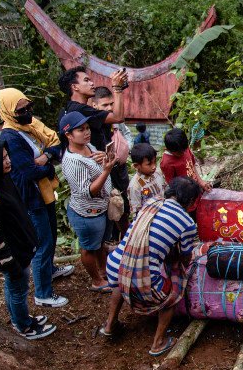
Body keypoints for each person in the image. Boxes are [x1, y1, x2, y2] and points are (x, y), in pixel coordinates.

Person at [0, 138, 56, 339]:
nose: (8, 161)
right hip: (11, 255)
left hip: (20, 249)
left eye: (7, 156)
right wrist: (10, 264)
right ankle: (24, 326)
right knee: (18, 288)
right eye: (2, 158)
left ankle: (18, 317)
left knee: (15, 287)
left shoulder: (0, 179)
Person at [98, 177, 202, 356]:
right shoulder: (187, 223)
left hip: (114, 266)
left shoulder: (151, 202)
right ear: (192, 202)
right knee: (175, 288)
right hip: (140, 280)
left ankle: (110, 325)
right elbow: (185, 257)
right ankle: (158, 342)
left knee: (121, 277)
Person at [0, 89, 72, 309]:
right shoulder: (10, 136)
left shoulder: (29, 127)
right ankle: (43, 293)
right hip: (31, 196)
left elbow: (56, 144)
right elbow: (28, 171)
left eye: (28, 107)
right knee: (42, 243)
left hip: (44, 191)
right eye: (21, 110)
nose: (27, 112)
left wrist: (45, 157)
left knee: (51, 235)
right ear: (8, 112)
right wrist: (48, 163)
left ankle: (49, 271)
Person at [59, 111, 119, 292]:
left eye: (87, 128)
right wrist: (106, 170)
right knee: (88, 248)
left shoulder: (87, 146)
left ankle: (103, 271)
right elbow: (88, 192)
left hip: (100, 209)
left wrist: (103, 157)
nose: (86, 132)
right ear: (68, 135)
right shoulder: (72, 161)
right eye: (80, 130)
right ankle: (96, 281)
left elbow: (96, 165)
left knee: (100, 243)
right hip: (88, 212)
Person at [91, 86, 131, 241]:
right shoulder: (93, 125)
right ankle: (112, 239)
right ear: (94, 106)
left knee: (123, 206)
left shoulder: (115, 120)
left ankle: (124, 239)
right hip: (105, 172)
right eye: (104, 106)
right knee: (110, 207)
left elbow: (127, 134)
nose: (109, 109)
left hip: (120, 169)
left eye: (110, 104)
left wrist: (125, 148)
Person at [56, 66, 128, 151]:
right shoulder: (80, 110)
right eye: (86, 80)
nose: (92, 83)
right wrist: (117, 88)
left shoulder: (69, 108)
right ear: (75, 87)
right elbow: (118, 117)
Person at [128, 143, 166, 219]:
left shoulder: (157, 173)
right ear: (136, 166)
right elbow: (136, 211)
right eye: (149, 164)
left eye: (155, 161)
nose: (154, 167)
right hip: (148, 219)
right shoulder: (135, 186)